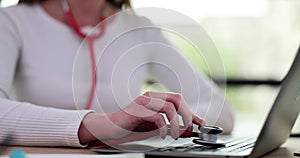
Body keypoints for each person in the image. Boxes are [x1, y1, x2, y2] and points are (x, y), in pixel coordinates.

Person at [0, 0, 234, 147]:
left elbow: (222, 110)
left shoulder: (139, 29)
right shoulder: (12, 21)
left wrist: (162, 122)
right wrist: (105, 124)